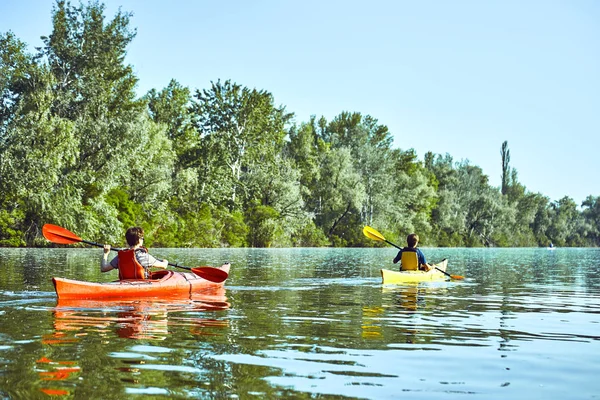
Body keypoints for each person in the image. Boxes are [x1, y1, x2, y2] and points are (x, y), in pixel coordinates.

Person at [101, 226, 169, 280]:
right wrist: (165, 261)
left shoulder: (121, 256)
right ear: (139, 240)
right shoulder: (144, 256)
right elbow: (164, 266)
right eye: (142, 238)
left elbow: (104, 268)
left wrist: (106, 253)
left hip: (124, 284)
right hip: (141, 285)